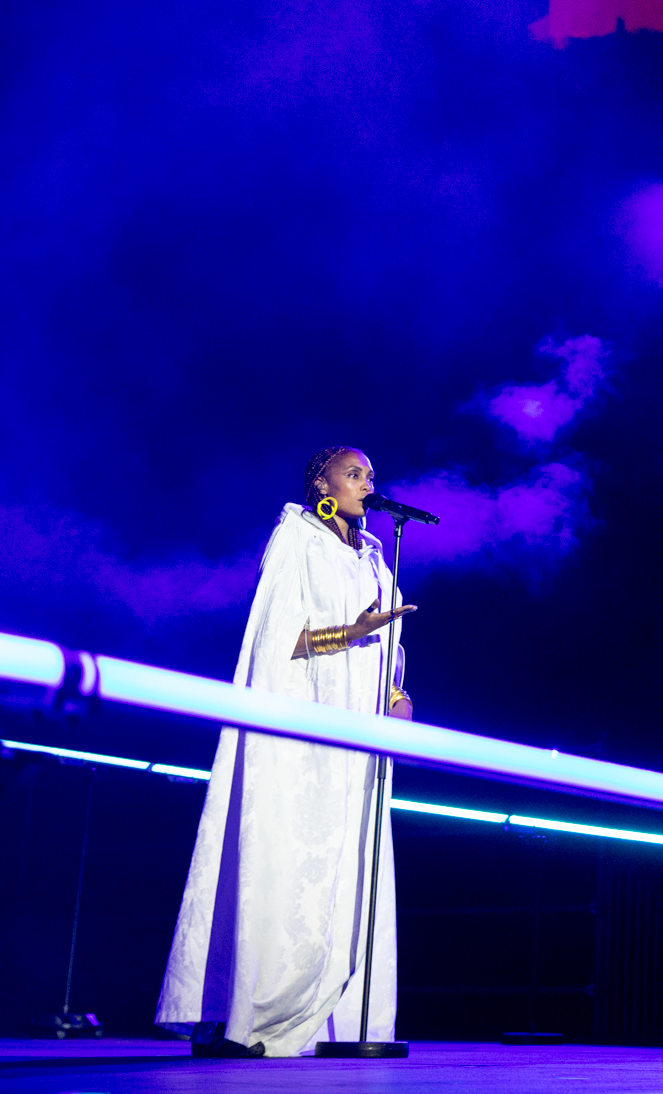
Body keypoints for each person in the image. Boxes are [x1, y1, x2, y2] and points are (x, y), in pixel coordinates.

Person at [154, 447, 418, 1057]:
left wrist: (397, 692)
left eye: (371, 476)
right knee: (290, 857)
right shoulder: (295, 538)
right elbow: (278, 639)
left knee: (354, 865)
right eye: (354, 474)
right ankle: (248, 1014)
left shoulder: (377, 557)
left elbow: (390, 644)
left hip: (361, 733)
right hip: (304, 728)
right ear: (320, 482)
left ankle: (341, 1022)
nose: (367, 484)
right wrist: (351, 632)